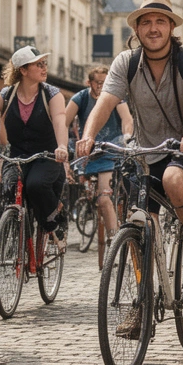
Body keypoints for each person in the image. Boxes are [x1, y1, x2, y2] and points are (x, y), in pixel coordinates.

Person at [75, 0, 183, 287]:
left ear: (171, 27)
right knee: (137, 217)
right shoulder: (126, 62)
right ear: (136, 29)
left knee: (174, 180)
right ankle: (144, 296)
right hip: (147, 150)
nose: (153, 28)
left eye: (160, 22)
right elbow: (105, 102)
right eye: (146, 22)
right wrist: (88, 136)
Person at [0, 46, 72, 251]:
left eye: (44, 63)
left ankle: (56, 219)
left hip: (47, 156)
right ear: (23, 70)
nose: (44, 68)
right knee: (10, 188)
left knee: (35, 185)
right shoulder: (6, 95)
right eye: (38, 64)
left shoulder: (52, 94)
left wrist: (62, 146)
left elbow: (60, 121)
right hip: (16, 156)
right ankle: (15, 233)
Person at [65, 65, 135, 266]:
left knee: (104, 198)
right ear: (89, 83)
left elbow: (127, 119)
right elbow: (64, 120)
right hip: (88, 153)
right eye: (98, 83)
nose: (102, 86)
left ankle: (114, 240)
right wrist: (63, 144)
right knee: (90, 192)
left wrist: (127, 137)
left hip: (111, 152)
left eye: (106, 82)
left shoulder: (115, 97)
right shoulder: (80, 98)